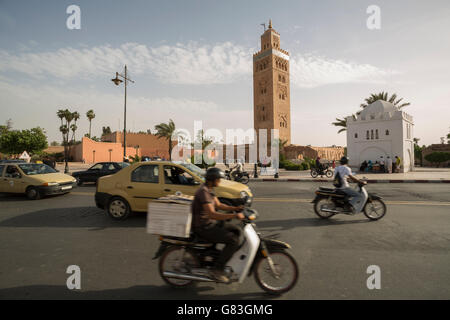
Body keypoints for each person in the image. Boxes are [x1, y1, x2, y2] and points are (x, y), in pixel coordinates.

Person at [191, 168, 245, 282]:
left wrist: (235, 208)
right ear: (212, 180)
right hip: (203, 227)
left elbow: (219, 205)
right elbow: (212, 214)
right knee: (233, 241)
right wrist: (234, 216)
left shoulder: (210, 189)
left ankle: (219, 256)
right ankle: (217, 269)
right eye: (218, 179)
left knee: (236, 230)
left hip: (210, 223)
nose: (220, 181)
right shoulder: (203, 192)